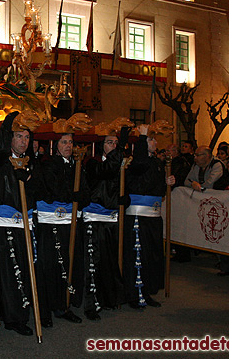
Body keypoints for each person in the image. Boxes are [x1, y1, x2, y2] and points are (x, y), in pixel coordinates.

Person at [0, 112, 35, 336]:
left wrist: (28, 182)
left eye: (27, 137)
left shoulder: (32, 163)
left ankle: (16, 317)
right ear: (9, 138)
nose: (24, 141)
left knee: (19, 272)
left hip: (23, 225)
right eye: (19, 136)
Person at [33, 133, 88, 326]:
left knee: (68, 262)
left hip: (70, 223)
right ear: (56, 145)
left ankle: (63, 305)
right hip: (51, 223)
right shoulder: (48, 164)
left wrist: (81, 196)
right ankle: (45, 310)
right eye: (64, 142)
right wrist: (70, 194)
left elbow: (84, 191)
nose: (68, 145)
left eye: (71, 142)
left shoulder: (77, 165)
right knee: (49, 266)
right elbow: (50, 188)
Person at [123, 124, 175, 309]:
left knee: (152, 256)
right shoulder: (137, 160)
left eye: (153, 139)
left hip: (154, 217)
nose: (154, 142)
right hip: (139, 217)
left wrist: (166, 183)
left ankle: (147, 291)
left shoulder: (157, 162)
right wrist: (142, 138)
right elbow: (139, 165)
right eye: (151, 139)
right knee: (138, 256)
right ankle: (135, 294)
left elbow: (158, 191)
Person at [82, 130, 128, 319]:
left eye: (116, 143)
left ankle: (108, 298)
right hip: (94, 218)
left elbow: (124, 185)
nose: (114, 146)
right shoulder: (93, 163)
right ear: (102, 145)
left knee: (110, 261)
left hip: (111, 219)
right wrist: (122, 148)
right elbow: (106, 171)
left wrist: (126, 199)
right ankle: (91, 304)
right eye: (110, 142)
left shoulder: (121, 165)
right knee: (93, 262)